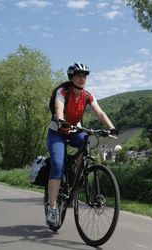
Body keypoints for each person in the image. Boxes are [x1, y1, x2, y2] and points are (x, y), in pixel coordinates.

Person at [46, 62, 119, 226]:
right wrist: (61, 119)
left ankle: (77, 181)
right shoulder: (63, 91)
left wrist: (111, 128)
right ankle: (52, 208)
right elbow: (59, 106)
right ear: (72, 77)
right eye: (78, 75)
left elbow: (99, 112)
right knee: (57, 164)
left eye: (84, 76)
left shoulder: (87, 96)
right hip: (57, 132)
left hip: (74, 132)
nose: (82, 79)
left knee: (86, 141)